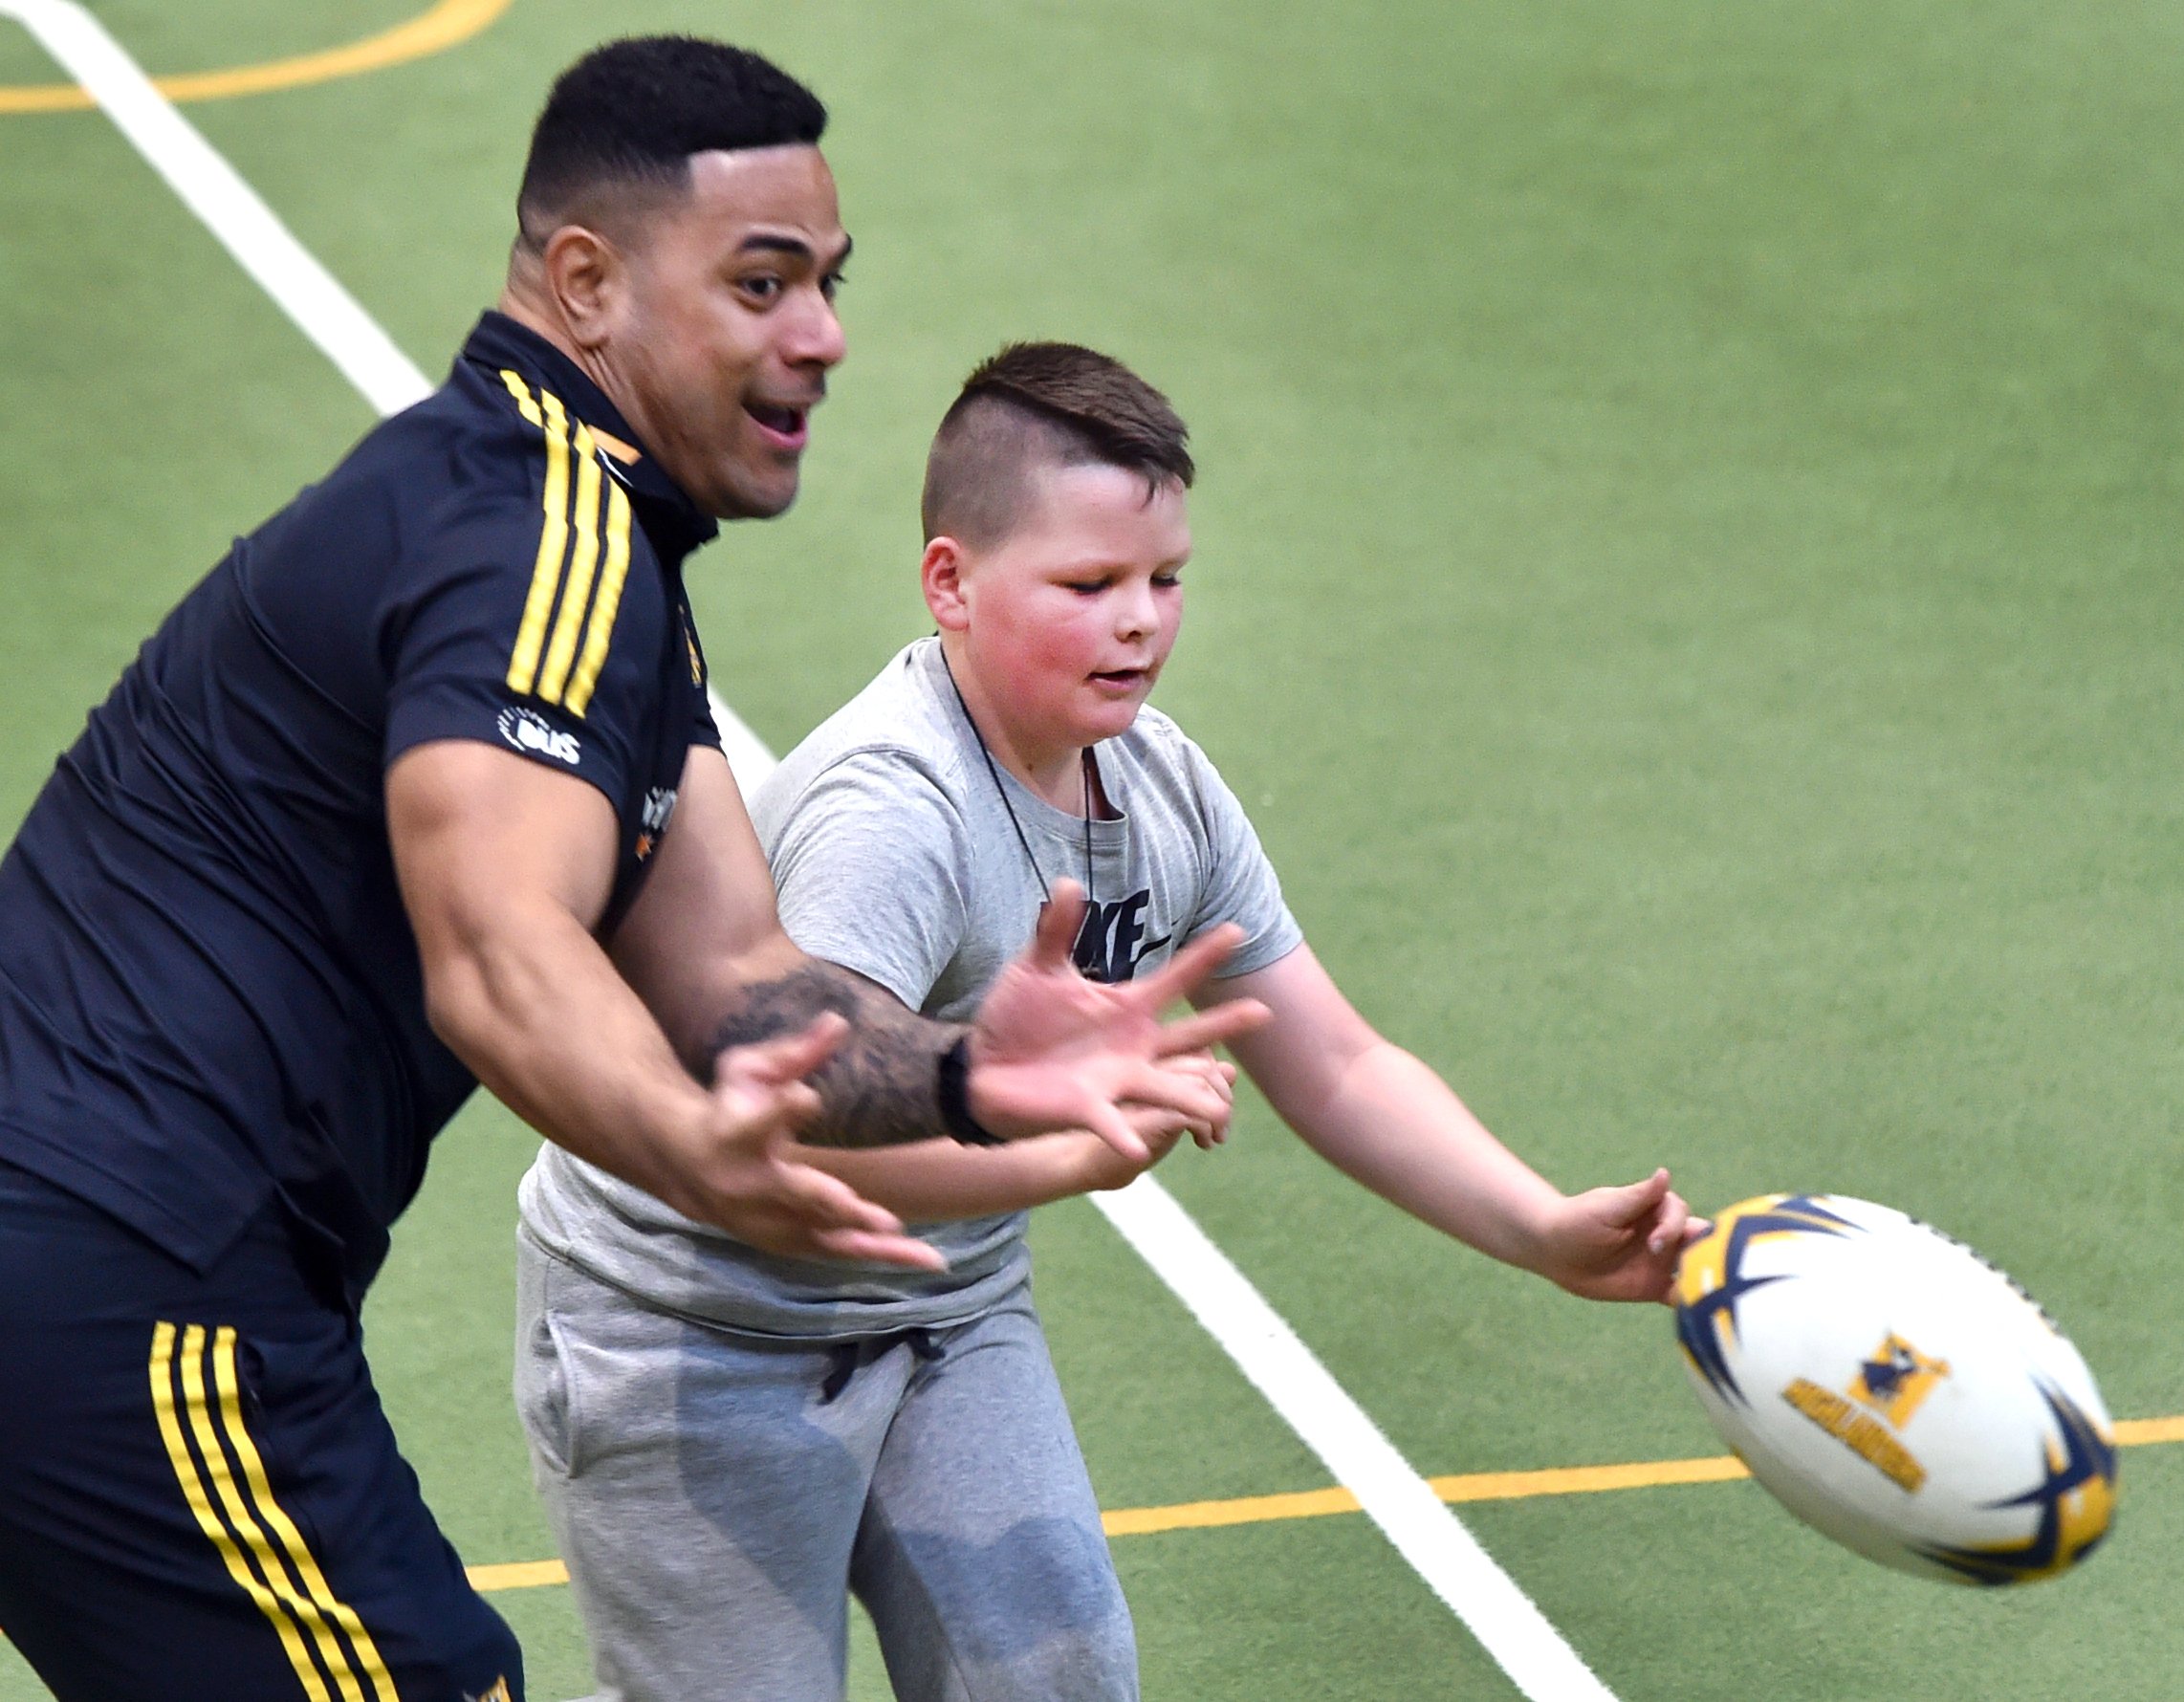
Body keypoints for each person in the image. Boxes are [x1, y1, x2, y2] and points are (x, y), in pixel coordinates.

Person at [0, 46, 1257, 1702]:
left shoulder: (577, 552)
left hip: (137, 1266)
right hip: (127, 1271)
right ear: (585, 282)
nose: (822, 337)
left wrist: (968, 1071)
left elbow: (737, 984)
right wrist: (687, 1151)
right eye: (760, 282)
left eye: (828, 281)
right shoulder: (535, 543)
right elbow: (505, 950)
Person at [515, 341, 1702, 1702]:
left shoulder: (1163, 792)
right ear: (951, 585)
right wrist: (1064, 1153)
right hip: (699, 1323)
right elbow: (815, 1138)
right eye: (1090, 585)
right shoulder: (891, 819)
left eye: (1165, 579)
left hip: (942, 1308)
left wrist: (1539, 1229)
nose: (1140, 621)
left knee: (1062, 1674)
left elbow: (1337, 1058)